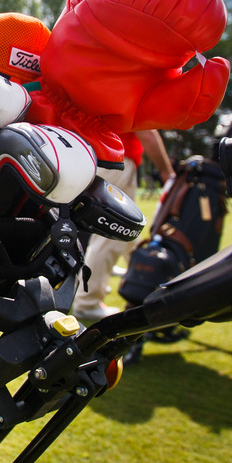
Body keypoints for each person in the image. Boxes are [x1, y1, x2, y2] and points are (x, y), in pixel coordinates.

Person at [72, 129, 173, 322]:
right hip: (117, 158)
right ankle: (87, 303)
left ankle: (142, 279)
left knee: (127, 235)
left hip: (93, 154)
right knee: (111, 237)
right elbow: (147, 133)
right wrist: (166, 172)